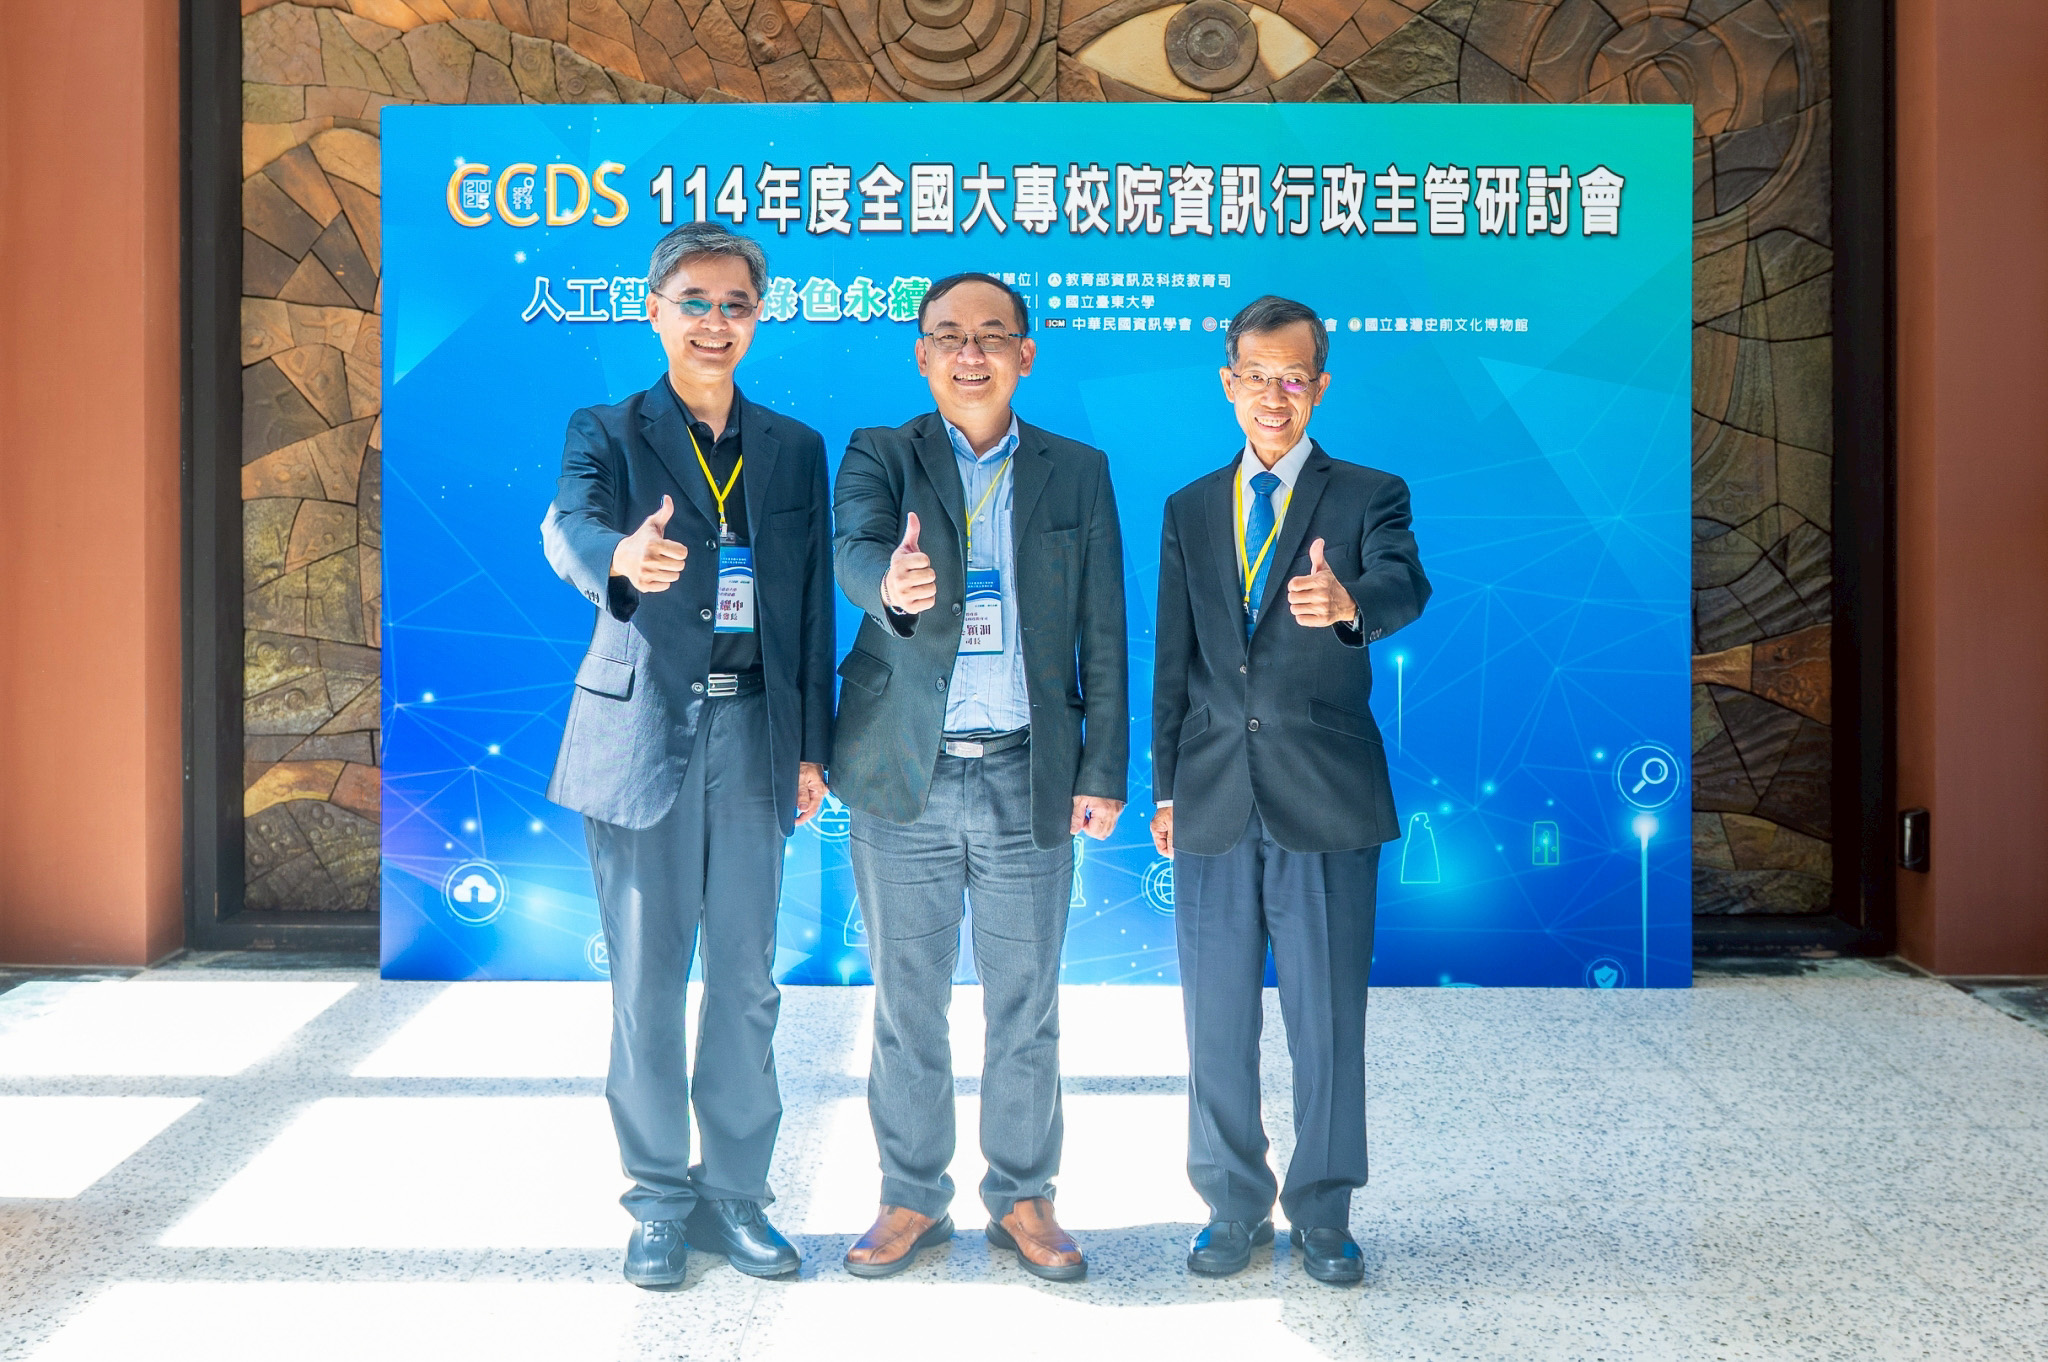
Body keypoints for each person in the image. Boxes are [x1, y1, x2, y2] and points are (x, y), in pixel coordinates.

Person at [541, 222, 834, 1289]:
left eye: (735, 304)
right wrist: (621, 558)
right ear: (654, 311)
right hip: (640, 735)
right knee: (647, 983)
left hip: (756, 734)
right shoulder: (606, 430)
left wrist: (811, 747)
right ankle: (659, 1201)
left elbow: (809, 607)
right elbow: (570, 527)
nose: (716, 323)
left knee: (748, 981)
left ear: (759, 317)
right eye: (695, 302)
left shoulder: (794, 446)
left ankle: (736, 1196)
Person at [830, 273, 1128, 1282]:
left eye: (992, 335)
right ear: (922, 354)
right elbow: (854, 547)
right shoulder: (880, 452)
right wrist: (890, 583)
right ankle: (911, 1196)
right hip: (902, 772)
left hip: (1024, 770)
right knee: (905, 1001)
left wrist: (1102, 767)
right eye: (949, 336)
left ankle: (1024, 1197)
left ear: (1024, 355)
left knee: (1025, 1003)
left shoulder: (1076, 469)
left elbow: (1102, 627)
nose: (970, 353)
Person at [1149, 295, 1430, 1286]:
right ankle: (1230, 1207)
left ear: (1320, 385)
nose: (1275, 397)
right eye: (1257, 377)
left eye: (1294, 378)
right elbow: (1174, 661)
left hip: (1326, 796)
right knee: (1214, 1022)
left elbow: (1404, 582)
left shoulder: (1368, 495)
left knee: (1328, 1023)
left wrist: (1350, 604)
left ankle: (1323, 1212)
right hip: (1213, 793)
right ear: (1228, 383)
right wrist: (1165, 787)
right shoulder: (1189, 507)